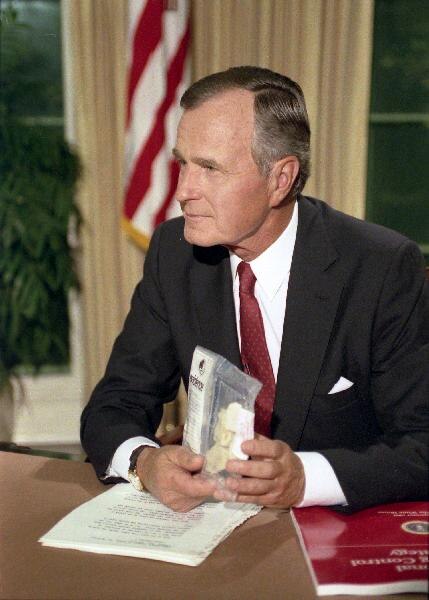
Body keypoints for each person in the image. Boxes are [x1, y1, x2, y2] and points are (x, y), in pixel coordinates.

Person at [81, 66, 429, 513]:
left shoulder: (380, 267)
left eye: (209, 168)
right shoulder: (175, 253)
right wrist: (144, 462)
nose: (183, 190)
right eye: (182, 163)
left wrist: (305, 479)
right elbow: (115, 403)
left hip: (334, 530)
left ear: (280, 179)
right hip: (211, 530)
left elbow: (421, 443)